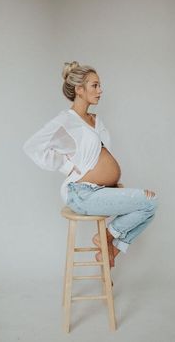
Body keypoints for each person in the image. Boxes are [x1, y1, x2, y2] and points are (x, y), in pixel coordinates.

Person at [23, 61, 158, 268]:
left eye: (99, 85)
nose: (100, 90)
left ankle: (111, 249)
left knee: (150, 205)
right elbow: (32, 146)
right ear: (79, 90)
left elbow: (98, 157)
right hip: (80, 193)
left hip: (98, 190)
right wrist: (67, 167)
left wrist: (111, 184)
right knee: (150, 202)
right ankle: (106, 237)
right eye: (95, 85)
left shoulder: (95, 120)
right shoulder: (67, 120)